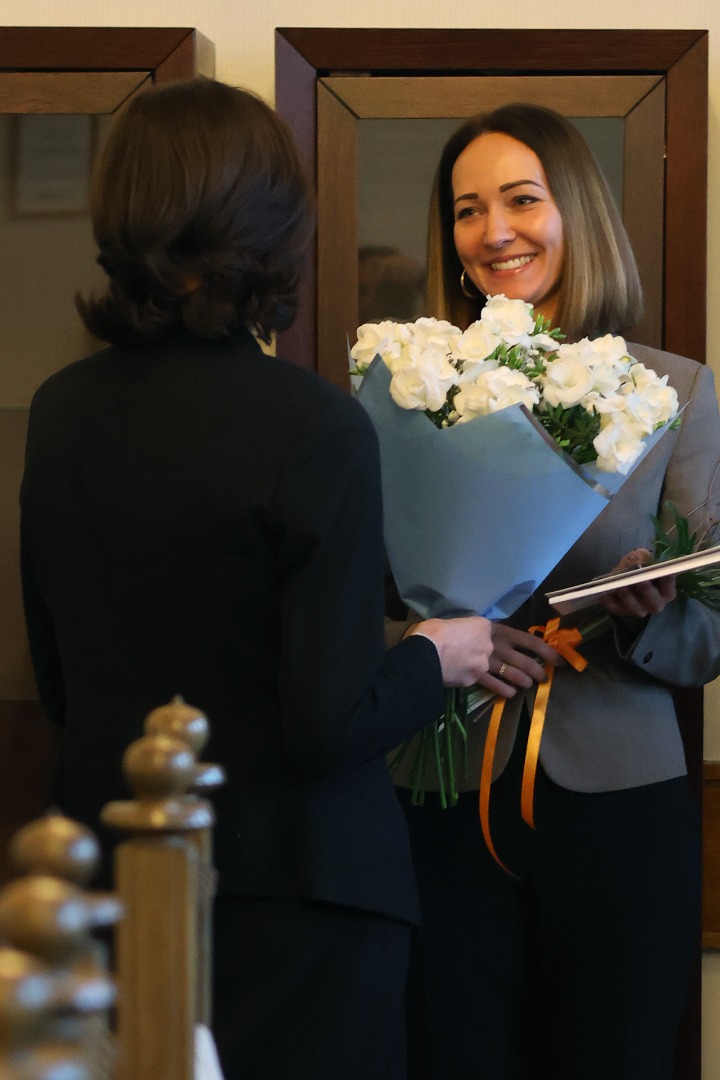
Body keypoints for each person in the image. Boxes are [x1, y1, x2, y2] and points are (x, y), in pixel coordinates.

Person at [19, 78, 528, 1080]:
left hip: (115, 886)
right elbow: (326, 725)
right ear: (271, 226)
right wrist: (438, 655)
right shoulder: (314, 425)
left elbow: (61, 681)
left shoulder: (60, 410)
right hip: (302, 901)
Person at [392, 103, 720, 1080]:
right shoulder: (411, 393)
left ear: (576, 211)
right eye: (467, 210)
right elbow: (356, 599)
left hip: (620, 796)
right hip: (441, 789)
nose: (494, 231)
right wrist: (425, 641)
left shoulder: (677, 393)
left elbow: (709, 641)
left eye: (522, 201)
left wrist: (653, 616)